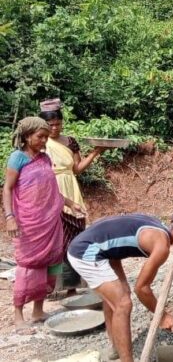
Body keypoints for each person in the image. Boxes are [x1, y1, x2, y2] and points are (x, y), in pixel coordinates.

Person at [67, 209, 173, 362]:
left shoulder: (159, 229)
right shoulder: (161, 246)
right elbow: (141, 289)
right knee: (123, 303)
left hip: (106, 252)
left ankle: (116, 347)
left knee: (117, 297)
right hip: (86, 251)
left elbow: (112, 230)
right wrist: (162, 315)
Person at [3, 117, 85, 334]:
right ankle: (18, 314)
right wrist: (10, 216)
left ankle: (38, 310)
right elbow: (8, 189)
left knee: (51, 263)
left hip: (51, 221)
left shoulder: (45, 159)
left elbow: (51, 189)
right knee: (29, 266)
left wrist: (70, 203)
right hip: (29, 224)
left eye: (46, 137)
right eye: (40, 137)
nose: (43, 141)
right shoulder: (17, 158)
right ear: (27, 136)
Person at [38, 99, 106, 296]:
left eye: (58, 124)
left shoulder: (69, 141)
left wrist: (95, 152)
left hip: (71, 189)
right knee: (55, 241)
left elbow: (76, 169)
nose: (55, 128)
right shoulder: (41, 143)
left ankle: (72, 286)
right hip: (51, 192)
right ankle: (52, 287)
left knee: (74, 237)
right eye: (50, 125)